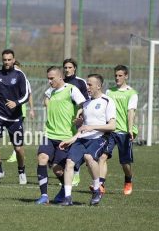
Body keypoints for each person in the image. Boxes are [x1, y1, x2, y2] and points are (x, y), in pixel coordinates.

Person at [59, 74, 116, 206]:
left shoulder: (107, 101)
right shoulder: (86, 103)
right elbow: (83, 128)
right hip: (83, 138)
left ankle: (97, 189)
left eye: (90, 84)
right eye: (86, 84)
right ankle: (67, 197)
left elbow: (112, 126)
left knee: (89, 157)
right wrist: (72, 138)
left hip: (100, 137)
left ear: (98, 86)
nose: (87, 87)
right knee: (69, 162)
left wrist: (92, 127)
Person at [35, 66, 86, 205]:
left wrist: (79, 115)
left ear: (60, 77)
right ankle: (44, 195)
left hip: (66, 136)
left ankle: (65, 188)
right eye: (48, 79)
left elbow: (83, 103)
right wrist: (47, 103)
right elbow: (45, 98)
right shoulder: (50, 91)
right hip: (49, 133)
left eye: (52, 79)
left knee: (58, 170)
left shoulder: (71, 89)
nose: (49, 81)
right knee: (42, 158)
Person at [0, 49, 29, 184]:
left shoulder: (20, 75)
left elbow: (26, 95)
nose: (7, 62)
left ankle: (21, 171)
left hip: (15, 118)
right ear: (2, 60)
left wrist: (16, 103)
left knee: (18, 148)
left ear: (14, 60)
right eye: (5, 60)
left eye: (9, 59)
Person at [98, 65, 138, 195]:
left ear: (126, 76)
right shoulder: (109, 92)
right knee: (103, 157)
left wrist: (130, 129)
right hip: (111, 131)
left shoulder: (132, 93)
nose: (117, 78)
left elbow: (130, 112)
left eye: (120, 75)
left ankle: (128, 180)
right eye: (116, 75)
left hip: (124, 132)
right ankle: (100, 184)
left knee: (125, 163)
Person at [62, 58, 90, 187]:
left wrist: (81, 115)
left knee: (75, 147)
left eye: (69, 67)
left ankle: (76, 174)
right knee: (65, 147)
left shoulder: (80, 82)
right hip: (64, 120)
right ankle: (70, 173)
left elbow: (86, 101)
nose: (67, 70)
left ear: (74, 68)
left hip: (77, 120)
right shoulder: (61, 82)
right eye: (65, 67)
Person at [7, 60, 35, 163]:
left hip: (20, 111)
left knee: (16, 132)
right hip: (9, 111)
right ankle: (19, 152)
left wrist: (31, 109)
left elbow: (30, 95)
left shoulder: (24, 80)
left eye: (17, 68)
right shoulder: (8, 79)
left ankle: (16, 153)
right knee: (12, 132)